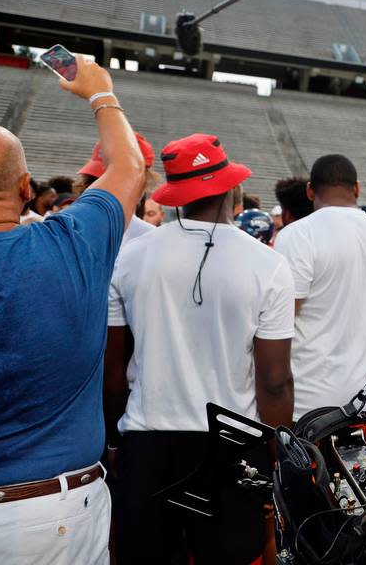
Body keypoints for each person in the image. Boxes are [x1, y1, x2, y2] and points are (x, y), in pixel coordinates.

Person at [104, 133, 294, 564]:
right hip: (231, 441)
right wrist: (277, 455)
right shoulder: (268, 264)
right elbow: (275, 382)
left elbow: (113, 373)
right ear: (231, 189)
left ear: (175, 198)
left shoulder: (132, 256)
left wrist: (115, 442)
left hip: (148, 440)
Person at [0, 56, 144, 565]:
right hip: (53, 513)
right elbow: (129, 168)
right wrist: (101, 92)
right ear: (24, 188)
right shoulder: (72, 245)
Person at [274, 154, 366, 416]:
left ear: (310, 191)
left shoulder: (297, 235)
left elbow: (279, 321)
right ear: (356, 188)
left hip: (308, 399)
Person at [77, 132, 159, 246]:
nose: (99, 189)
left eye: (114, 182)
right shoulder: (69, 228)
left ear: (140, 184)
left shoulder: (152, 241)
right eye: (95, 180)